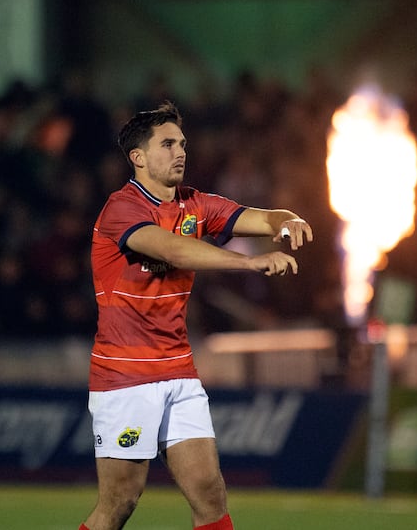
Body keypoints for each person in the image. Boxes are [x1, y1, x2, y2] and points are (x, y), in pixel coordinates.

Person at [80, 101, 313, 530]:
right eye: (168, 144)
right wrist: (249, 263)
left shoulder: (196, 205)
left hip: (179, 372)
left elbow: (262, 218)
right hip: (126, 375)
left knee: (209, 493)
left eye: (182, 144)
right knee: (120, 502)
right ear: (138, 157)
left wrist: (288, 220)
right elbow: (173, 249)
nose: (180, 152)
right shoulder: (121, 209)